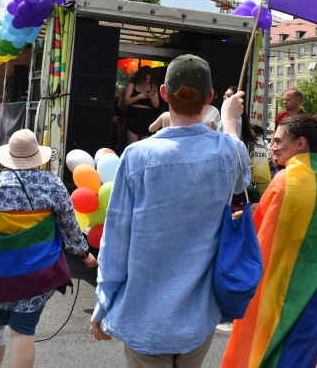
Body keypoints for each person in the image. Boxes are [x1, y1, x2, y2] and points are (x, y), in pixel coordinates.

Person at [91, 54, 249, 366]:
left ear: (164, 94)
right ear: (209, 97)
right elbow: (238, 157)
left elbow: (117, 239)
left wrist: (103, 303)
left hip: (145, 317)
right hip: (199, 319)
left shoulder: (137, 156)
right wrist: (230, 118)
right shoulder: (227, 153)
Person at [222, 114, 317, 368]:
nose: (272, 147)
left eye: (278, 141)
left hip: (276, 298)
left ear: (301, 143)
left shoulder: (284, 181)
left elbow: (257, 240)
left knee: (258, 358)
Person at [0, 129, 97, 368]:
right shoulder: (53, 184)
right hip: (38, 271)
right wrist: (84, 254)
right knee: (23, 332)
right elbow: (69, 226)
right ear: (37, 157)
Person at [122, 67, 161, 145]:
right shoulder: (133, 84)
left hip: (147, 119)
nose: (147, 82)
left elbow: (156, 106)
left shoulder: (152, 86)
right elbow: (125, 101)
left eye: (149, 79)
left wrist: (152, 96)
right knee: (132, 146)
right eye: (145, 79)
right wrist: (139, 97)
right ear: (140, 77)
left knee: (144, 147)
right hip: (133, 117)